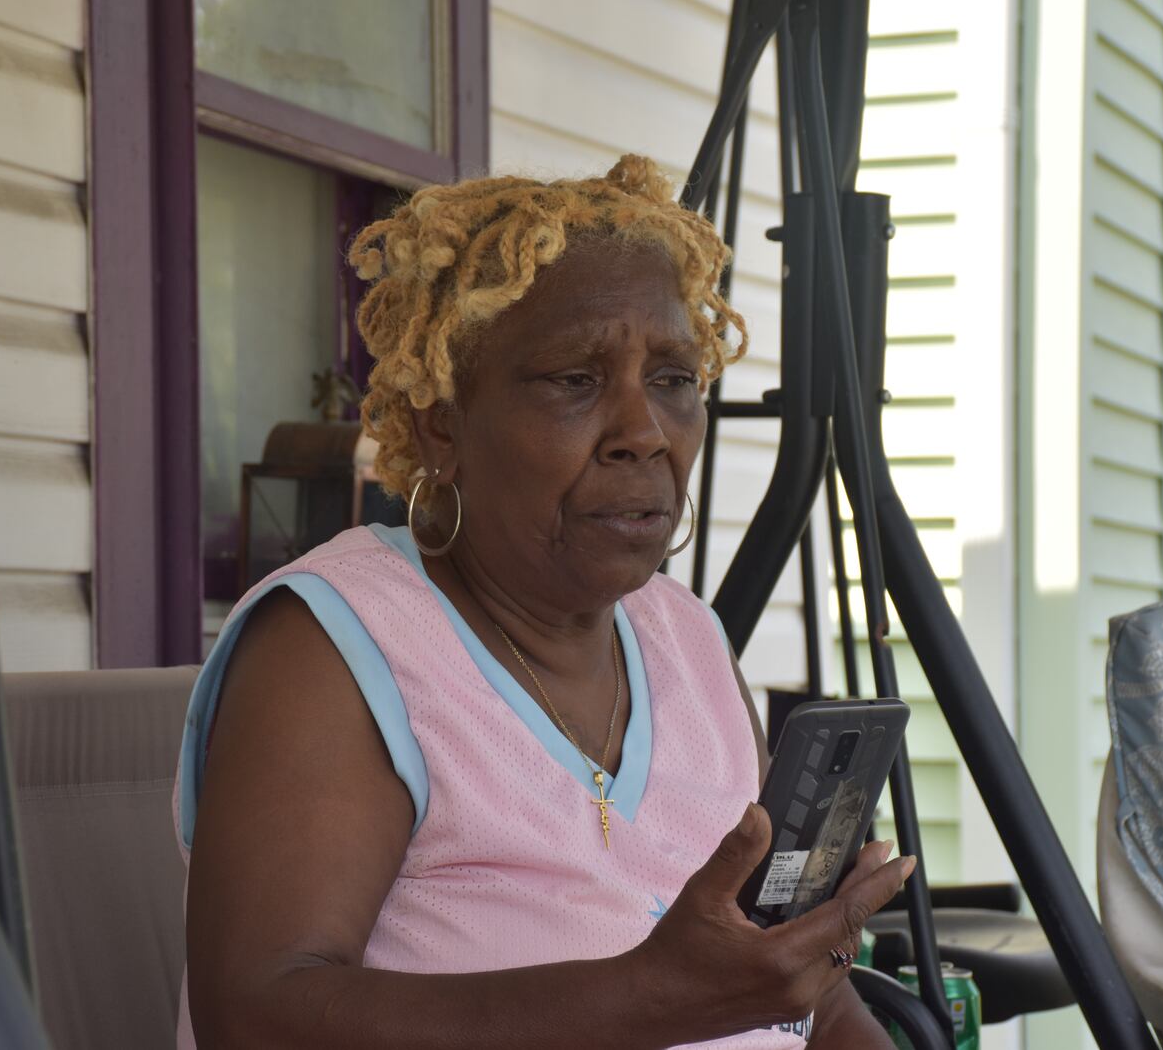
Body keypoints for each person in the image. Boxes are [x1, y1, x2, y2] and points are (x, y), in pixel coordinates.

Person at [173, 155, 916, 1048]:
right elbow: (254, 1017)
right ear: (442, 423)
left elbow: (815, 1005)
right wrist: (649, 996)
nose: (644, 433)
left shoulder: (687, 639)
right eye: (576, 379)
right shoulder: (339, 643)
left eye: (674, 379)